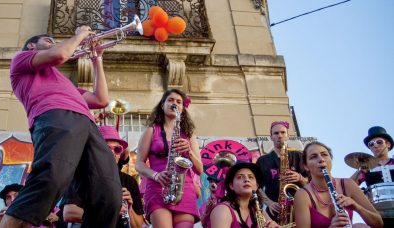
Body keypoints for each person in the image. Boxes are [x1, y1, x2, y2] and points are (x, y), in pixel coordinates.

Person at [0, 28, 122, 228]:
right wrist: (81, 34)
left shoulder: (64, 83)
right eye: (48, 40)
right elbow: (59, 54)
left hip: (87, 124)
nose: (54, 43)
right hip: (54, 114)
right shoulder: (21, 60)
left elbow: (101, 99)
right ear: (32, 46)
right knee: (52, 178)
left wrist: (96, 58)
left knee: (109, 193)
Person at [135, 89, 203, 228]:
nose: (174, 103)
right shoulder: (152, 130)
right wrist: (155, 175)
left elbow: (200, 169)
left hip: (184, 189)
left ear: (182, 108)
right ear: (162, 105)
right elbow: (139, 164)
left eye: (179, 102)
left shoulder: (189, 135)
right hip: (158, 186)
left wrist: (189, 151)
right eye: (170, 100)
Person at [62, 125, 145, 228]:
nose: (112, 153)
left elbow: (138, 225)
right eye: (106, 148)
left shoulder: (129, 181)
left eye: (117, 149)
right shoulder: (81, 176)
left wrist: (129, 209)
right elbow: (69, 213)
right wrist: (109, 211)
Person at [294, 141, 383, 228]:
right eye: (313, 157)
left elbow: (378, 223)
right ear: (306, 166)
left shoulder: (348, 184)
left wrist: (357, 207)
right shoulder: (303, 194)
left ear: (330, 159)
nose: (321, 159)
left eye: (324, 154)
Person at [255, 121, 308, 220]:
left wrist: (300, 178)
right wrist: (269, 203)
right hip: (275, 208)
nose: (280, 136)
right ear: (271, 137)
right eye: (276, 133)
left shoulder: (299, 156)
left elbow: (313, 182)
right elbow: (256, 186)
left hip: (301, 206)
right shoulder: (263, 160)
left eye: (283, 132)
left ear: (288, 136)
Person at [208, 162, 279, 228]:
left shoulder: (257, 209)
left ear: (256, 186)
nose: (246, 180)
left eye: (251, 177)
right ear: (231, 185)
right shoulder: (222, 210)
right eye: (240, 177)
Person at [351, 126, 394, 226]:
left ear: (388, 144)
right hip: (378, 215)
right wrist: (359, 170)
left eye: (379, 142)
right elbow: (348, 186)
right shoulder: (367, 168)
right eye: (371, 144)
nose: (375, 146)